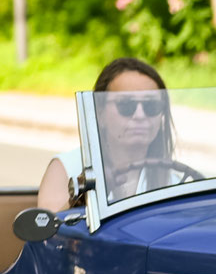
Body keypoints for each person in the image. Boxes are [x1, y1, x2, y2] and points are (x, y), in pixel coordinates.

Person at [37, 57, 182, 215]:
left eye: (151, 106)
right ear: (100, 113)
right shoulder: (67, 168)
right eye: (126, 105)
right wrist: (83, 194)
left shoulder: (173, 180)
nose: (140, 115)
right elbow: (47, 232)